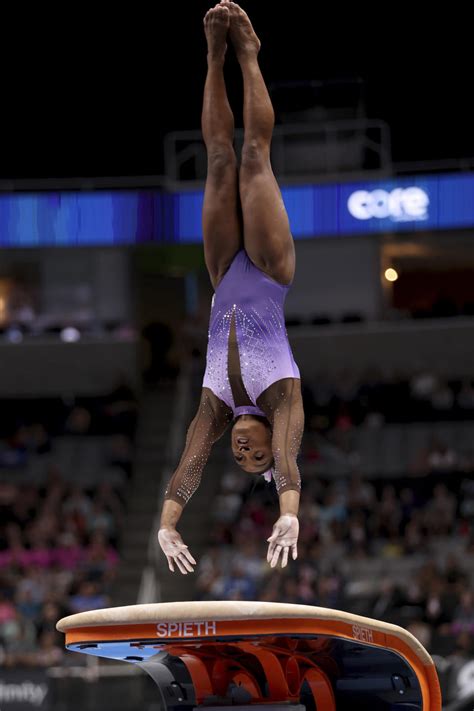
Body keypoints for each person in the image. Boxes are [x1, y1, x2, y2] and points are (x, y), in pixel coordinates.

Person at [158, 0, 304, 574]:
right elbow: (289, 465)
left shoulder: (213, 410)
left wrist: (168, 525)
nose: (245, 452)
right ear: (269, 436)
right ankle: (249, 54)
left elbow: (190, 465)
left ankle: (214, 56)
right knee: (252, 159)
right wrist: (288, 511)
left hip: (223, 278)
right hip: (268, 271)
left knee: (218, 162)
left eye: (240, 456)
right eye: (255, 454)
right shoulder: (282, 398)